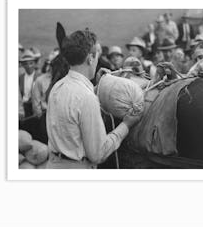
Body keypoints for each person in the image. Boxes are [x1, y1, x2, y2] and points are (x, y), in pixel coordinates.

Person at [46, 29, 142, 169]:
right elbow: (98, 154)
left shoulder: (57, 87)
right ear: (90, 58)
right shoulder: (87, 98)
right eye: (97, 55)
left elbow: (73, 107)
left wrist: (96, 87)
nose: (97, 60)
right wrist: (126, 125)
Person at [19, 49, 40, 117]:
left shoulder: (39, 77)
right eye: (25, 64)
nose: (28, 66)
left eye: (31, 63)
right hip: (23, 107)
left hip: (35, 107)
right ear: (22, 65)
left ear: (34, 63)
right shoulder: (20, 78)